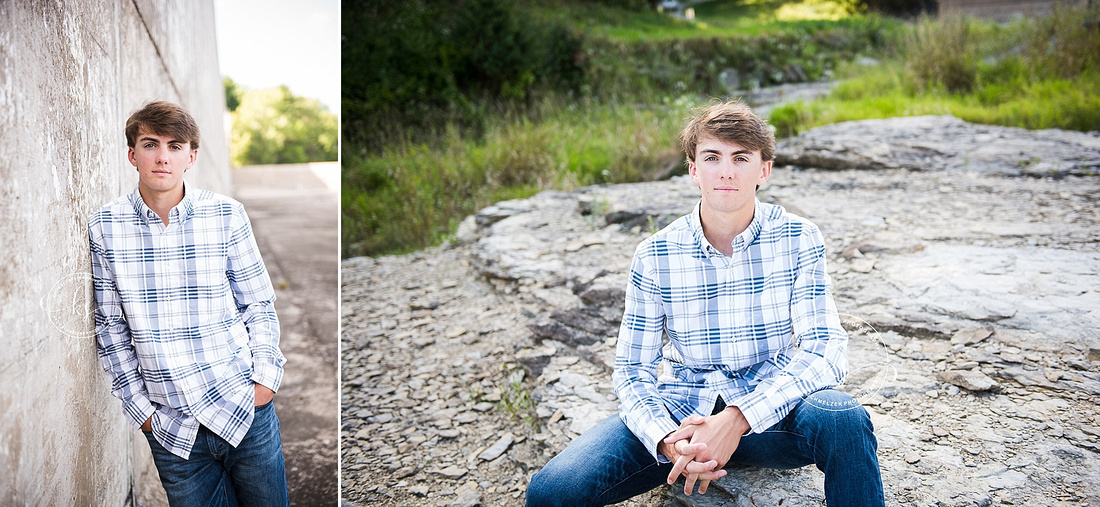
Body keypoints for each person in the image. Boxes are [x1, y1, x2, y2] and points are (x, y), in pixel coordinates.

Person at [526, 101, 884, 506]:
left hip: (773, 417)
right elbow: (631, 370)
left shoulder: (798, 238)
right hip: (683, 417)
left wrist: (737, 418)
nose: (726, 171)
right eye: (712, 157)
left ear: (763, 170)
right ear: (694, 169)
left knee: (843, 419)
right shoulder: (655, 254)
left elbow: (826, 350)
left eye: (741, 158)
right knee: (550, 492)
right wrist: (666, 442)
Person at [89, 101, 289, 506]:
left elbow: (258, 304)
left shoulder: (227, 216)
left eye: (175, 146)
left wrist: (263, 383)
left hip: (242, 407)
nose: (163, 156)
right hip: (172, 430)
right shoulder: (105, 227)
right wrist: (142, 412)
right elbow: (111, 328)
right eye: (150, 144)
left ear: (191, 156)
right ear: (132, 154)